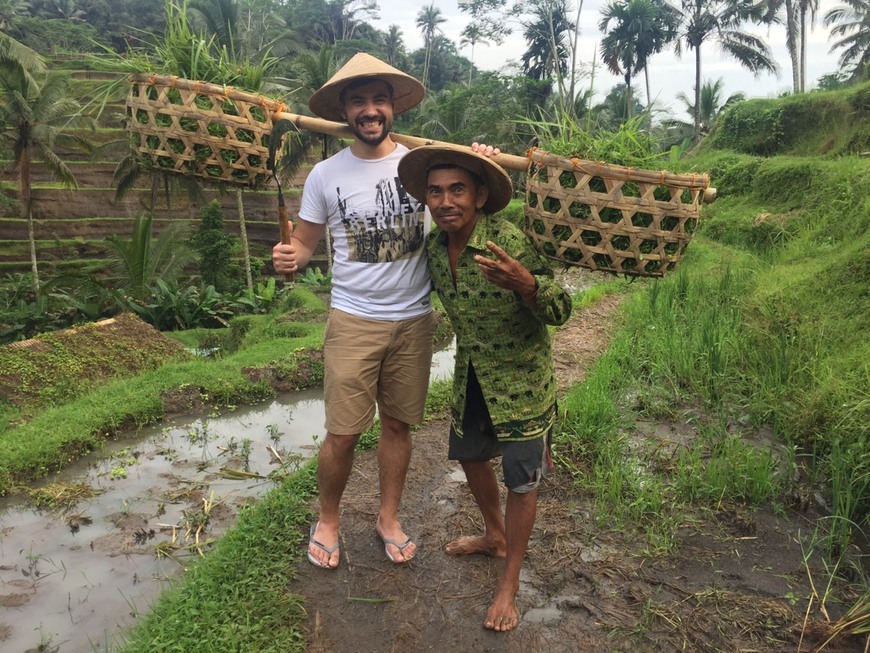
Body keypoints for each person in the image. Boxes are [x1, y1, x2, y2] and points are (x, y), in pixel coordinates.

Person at [397, 144, 573, 632]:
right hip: (473, 375)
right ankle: (494, 536)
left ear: (478, 196)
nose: (445, 201)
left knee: (522, 480)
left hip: (522, 380)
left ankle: (509, 583)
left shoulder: (509, 241)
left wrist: (526, 284)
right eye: (435, 191)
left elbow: (560, 311)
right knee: (472, 457)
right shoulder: (433, 248)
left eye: (457, 189)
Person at [272, 53, 435, 569]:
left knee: (399, 427)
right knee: (343, 432)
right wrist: (288, 256)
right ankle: (329, 518)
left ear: (392, 108)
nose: (370, 110)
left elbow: (471, 194)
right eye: (359, 101)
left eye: (379, 99)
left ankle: (388, 517)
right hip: (353, 320)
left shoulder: (421, 165)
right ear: (344, 110)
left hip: (414, 320)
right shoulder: (324, 175)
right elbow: (303, 244)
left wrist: (482, 155)